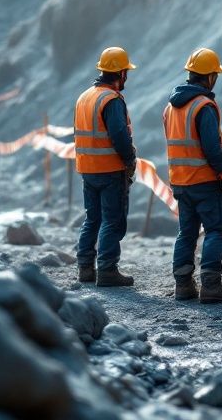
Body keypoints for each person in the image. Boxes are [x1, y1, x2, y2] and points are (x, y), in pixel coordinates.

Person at [163, 48, 222, 303]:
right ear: (208, 77)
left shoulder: (171, 108)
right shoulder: (203, 106)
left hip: (180, 182)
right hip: (204, 181)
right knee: (217, 230)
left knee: (187, 233)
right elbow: (213, 149)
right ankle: (211, 285)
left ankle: (183, 285)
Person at [74, 46, 137, 287]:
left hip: (87, 169)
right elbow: (119, 134)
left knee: (93, 218)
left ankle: (85, 268)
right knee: (113, 219)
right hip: (110, 169)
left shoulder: (84, 97)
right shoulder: (111, 100)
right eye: (125, 72)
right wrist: (129, 158)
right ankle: (108, 270)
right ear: (121, 73)